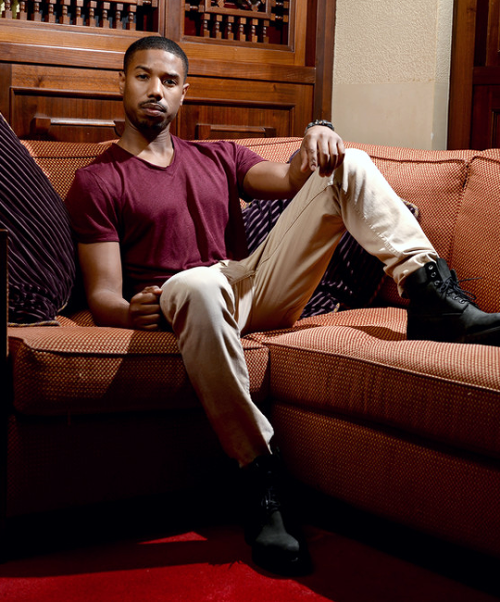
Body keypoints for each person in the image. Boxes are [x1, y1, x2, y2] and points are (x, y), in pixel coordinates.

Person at [65, 36, 500, 576]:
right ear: (122, 82)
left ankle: (433, 298)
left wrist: (321, 130)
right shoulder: (97, 180)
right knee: (199, 285)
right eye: (144, 77)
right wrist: (129, 311)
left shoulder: (217, 155)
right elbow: (103, 294)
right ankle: (259, 478)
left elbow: (297, 176)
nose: (156, 91)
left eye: (170, 82)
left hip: (252, 286)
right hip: (185, 298)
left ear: (184, 93)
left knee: (349, 162)